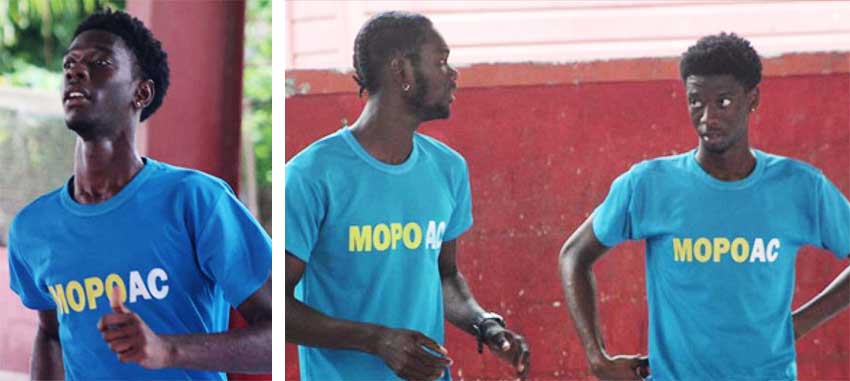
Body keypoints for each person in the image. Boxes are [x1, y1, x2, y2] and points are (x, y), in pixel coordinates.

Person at [559, 32, 850, 381]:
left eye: (723, 102)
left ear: (752, 98)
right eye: (695, 101)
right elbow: (574, 255)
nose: (707, 117)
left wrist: (801, 323)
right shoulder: (649, 184)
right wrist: (597, 358)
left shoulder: (800, 187)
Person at [6, 9, 272, 380]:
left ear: (141, 92)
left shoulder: (196, 200)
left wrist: (168, 350)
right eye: (70, 63)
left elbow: (283, 336)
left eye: (100, 62)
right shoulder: (33, 228)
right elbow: (51, 334)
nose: (76, 71)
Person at [285, 11, 531, 381]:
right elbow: (277, 307)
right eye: (441, 61)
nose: (453, 74)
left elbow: (444, 275)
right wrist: (375, 340)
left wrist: (486, 326)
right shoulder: (311, 175)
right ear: (401, 71)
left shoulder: (448, 168)